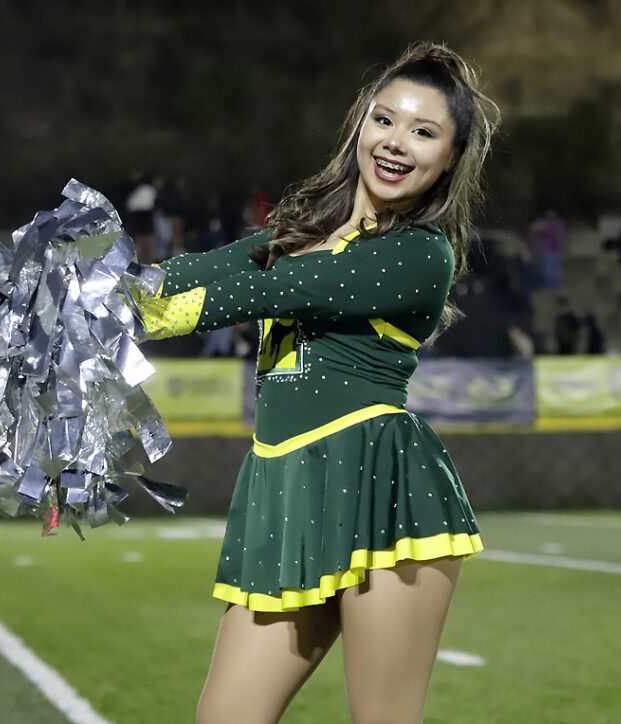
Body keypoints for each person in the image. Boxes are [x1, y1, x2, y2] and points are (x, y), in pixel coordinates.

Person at [135, 42, 497, 723]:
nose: (395, 142)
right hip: (284, 487)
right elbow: (186, 274)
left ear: (451, 157)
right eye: (384, 120)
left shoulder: (419, 253)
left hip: (380, 484)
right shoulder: (303, 230)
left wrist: (123, 319)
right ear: (362, 123)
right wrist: (71, 290)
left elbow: (257, 291)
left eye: (423, 132)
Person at [530, 209, 567, 289]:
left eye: (552, 214)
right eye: (548, 214)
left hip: (557, 249)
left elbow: (562, 234)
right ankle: (547, 285)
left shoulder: (559, 223)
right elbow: (534, 228)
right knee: (547, 269)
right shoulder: (543, 223)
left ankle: (556, 285)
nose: (550, 216)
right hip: (547, 250)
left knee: (557, 269)